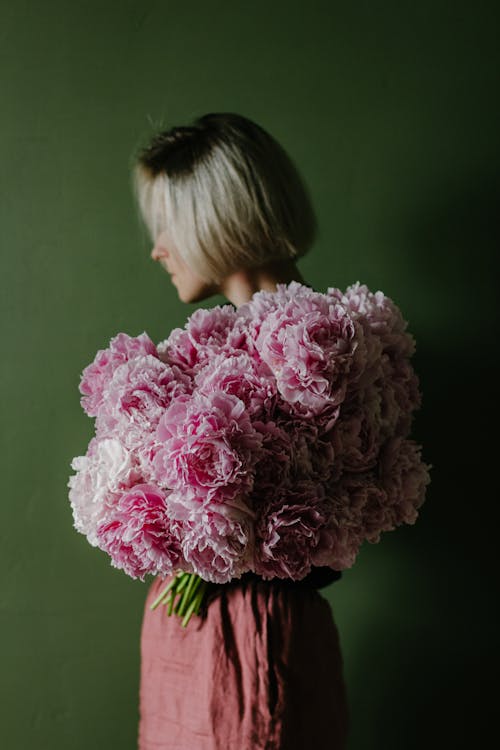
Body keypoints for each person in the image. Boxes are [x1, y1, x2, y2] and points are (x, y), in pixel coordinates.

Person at [131, 112, 349, 750]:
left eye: (167, 223)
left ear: (216, 217)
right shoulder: (224, 348)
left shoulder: (324, 352)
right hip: (201, 638)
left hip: (249, 644)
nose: (157, 247)